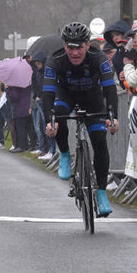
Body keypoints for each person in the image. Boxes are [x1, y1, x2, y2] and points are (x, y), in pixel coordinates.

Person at [42, 22, 120, 217]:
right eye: (70, 47)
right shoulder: (55, 60)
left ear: (87, 45)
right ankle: (65, 154)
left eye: (79, 47)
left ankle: (101, 193)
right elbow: (47, 93)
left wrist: (113, 116)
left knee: (99, 142)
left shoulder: (99, 58)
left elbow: (110, 88)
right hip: (65, 96)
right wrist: (49, 121)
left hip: (92, 98)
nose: (75, 52)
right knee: (58, 115)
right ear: (64, 45)